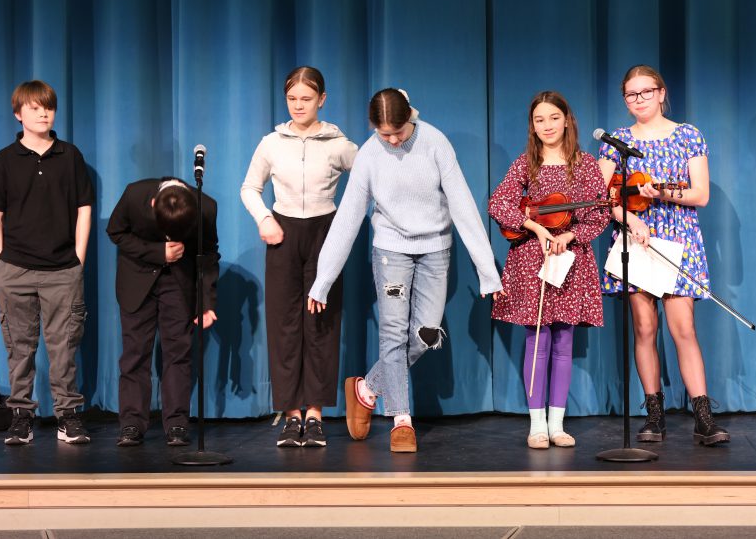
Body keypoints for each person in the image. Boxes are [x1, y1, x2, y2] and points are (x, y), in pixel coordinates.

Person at [307, 88, 502, 453]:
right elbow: (348, 218)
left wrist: (487, 271)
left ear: (410, 117)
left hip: (435, 250)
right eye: (385, 134)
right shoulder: (368, 155)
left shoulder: (435, 143)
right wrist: (323, 280)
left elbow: (462, 204)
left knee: (427, 334)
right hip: (391, 251)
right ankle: (401, 419)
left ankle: (366, 388)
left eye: (398, 131)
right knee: (393, 332)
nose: (393, 140)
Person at [597, 65, 729, 446]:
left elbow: (700, 194)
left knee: (683, 327)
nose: (638, 100)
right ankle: (654, 415)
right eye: (631, 95)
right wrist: (629, 221)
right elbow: (606, 197)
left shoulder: (688, 135)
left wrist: (663, 194)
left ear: (661, 92)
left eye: (645, 92)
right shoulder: (616, 140)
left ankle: (703, 416)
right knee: (644, 327)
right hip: (635, 240)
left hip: (679, 237)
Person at [241, 66, 357, 447]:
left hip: (325, 232)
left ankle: (315, 414)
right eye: (292, 98)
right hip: (283, 233)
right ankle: (291, 415)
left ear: (321, 99)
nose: (298, 105)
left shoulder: (338, 143)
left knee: (320, 321)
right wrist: (264, 219)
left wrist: (346, 223)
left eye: (306, 99)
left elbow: (368, 180)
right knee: (285, 323)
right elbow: (249, 188)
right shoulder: (271, 143)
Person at [489, 91, 610, 448]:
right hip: (533, 259)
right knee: (538, 339)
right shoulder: (526, 163)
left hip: (572, 261)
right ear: (532, 125)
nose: (547, 126)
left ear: (567, 119)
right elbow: (499, 202)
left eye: (553, 118)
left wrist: (570, 234)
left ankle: (557, 424)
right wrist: (538, 228)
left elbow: (599, 213)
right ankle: (536, 425)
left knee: (564, 341)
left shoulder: (585, 164)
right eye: (539, 120)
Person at [0, 80, 94, 445]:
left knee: (64, 346)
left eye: (47, 106)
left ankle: (68, 415)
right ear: (19, 114)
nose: (43, 112)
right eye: (34, 107)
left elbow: (84, 209)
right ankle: (21, 416)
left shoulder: (70, 156)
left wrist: (78, 259)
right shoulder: (3, 161)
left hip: (62, 269)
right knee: (20, 347)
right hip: (15, 269)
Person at [107, 178, 219, 447]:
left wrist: (206, 302)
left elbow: (209, 255)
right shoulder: (134, 195)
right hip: (137, 280)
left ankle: (177, 423)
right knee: (135, 354)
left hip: (178, 284)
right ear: (153, 204)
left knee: (178, 354)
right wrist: (157, 251)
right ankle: (132, 423)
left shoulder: (206, 207)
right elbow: (116, 232)